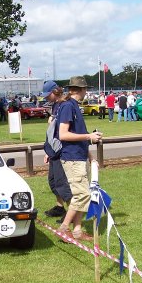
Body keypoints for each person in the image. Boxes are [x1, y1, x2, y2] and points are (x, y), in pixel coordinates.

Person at [56, 76, 102, 242]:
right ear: (82, 90)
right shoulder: (68, 106)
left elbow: (79, 136)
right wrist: (89, 135)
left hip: (80, 157)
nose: (86, 92)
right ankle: (63, 228)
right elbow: (63, 134)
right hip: (72, 158)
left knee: (81, 194)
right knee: (82, 195)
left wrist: (90, 156)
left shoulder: (73, 106)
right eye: (85, 89)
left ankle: (77, 231)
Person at [41, 80, 72, 223]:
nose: (46, 98)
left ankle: (71, 213)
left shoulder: (65, 106)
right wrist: (47, 150)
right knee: (53, 182)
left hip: (62, 152)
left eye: (48, 95)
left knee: (62, 183)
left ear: (55, 91)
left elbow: (63, 131)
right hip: (53, 151)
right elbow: (51, 132)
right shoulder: (55, 106)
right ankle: (60, 207)